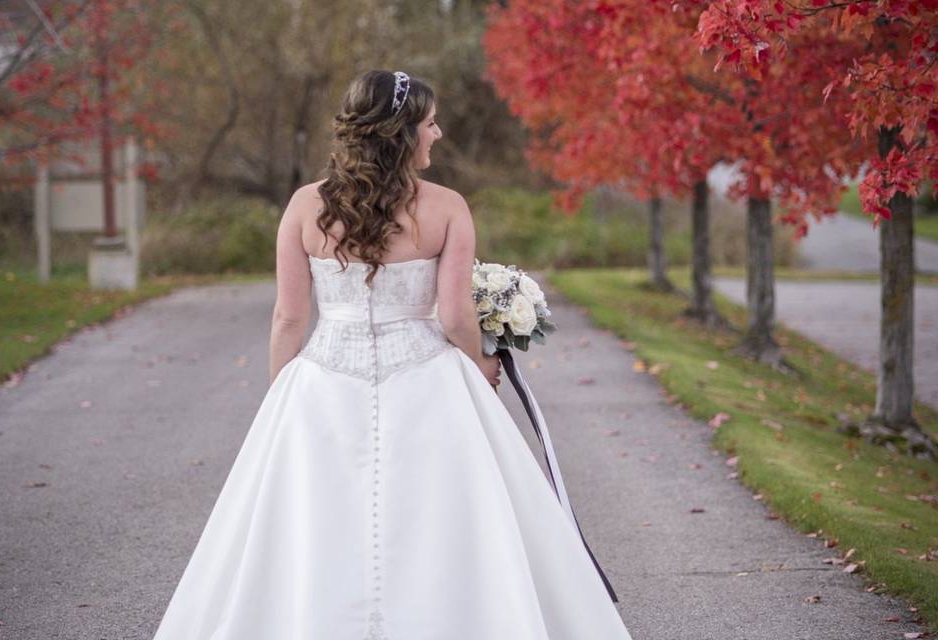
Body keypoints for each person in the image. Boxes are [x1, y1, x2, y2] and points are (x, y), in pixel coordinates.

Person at [151, 69, 634, 640]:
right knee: (442, 523)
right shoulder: (448, 207)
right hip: (428, 380)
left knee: (315, 526)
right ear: (403, 133)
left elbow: (289, 317)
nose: (440, 133)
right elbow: (454, 317)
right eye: (430, 124)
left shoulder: (306, 206)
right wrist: (481, 366)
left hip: (323, 380)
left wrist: (284, 394)